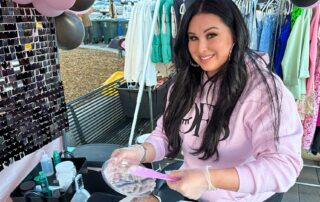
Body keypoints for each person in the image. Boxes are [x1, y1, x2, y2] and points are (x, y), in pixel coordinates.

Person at [111, 0, 303, 201]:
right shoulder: (185, 82)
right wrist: (140, 152)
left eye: (211, 35)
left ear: (235, 35)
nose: (201, 48)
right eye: (193, 38)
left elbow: (283, 167)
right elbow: (165, 135)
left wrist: (209, 179)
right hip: (194, 195)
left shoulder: (264, 91)